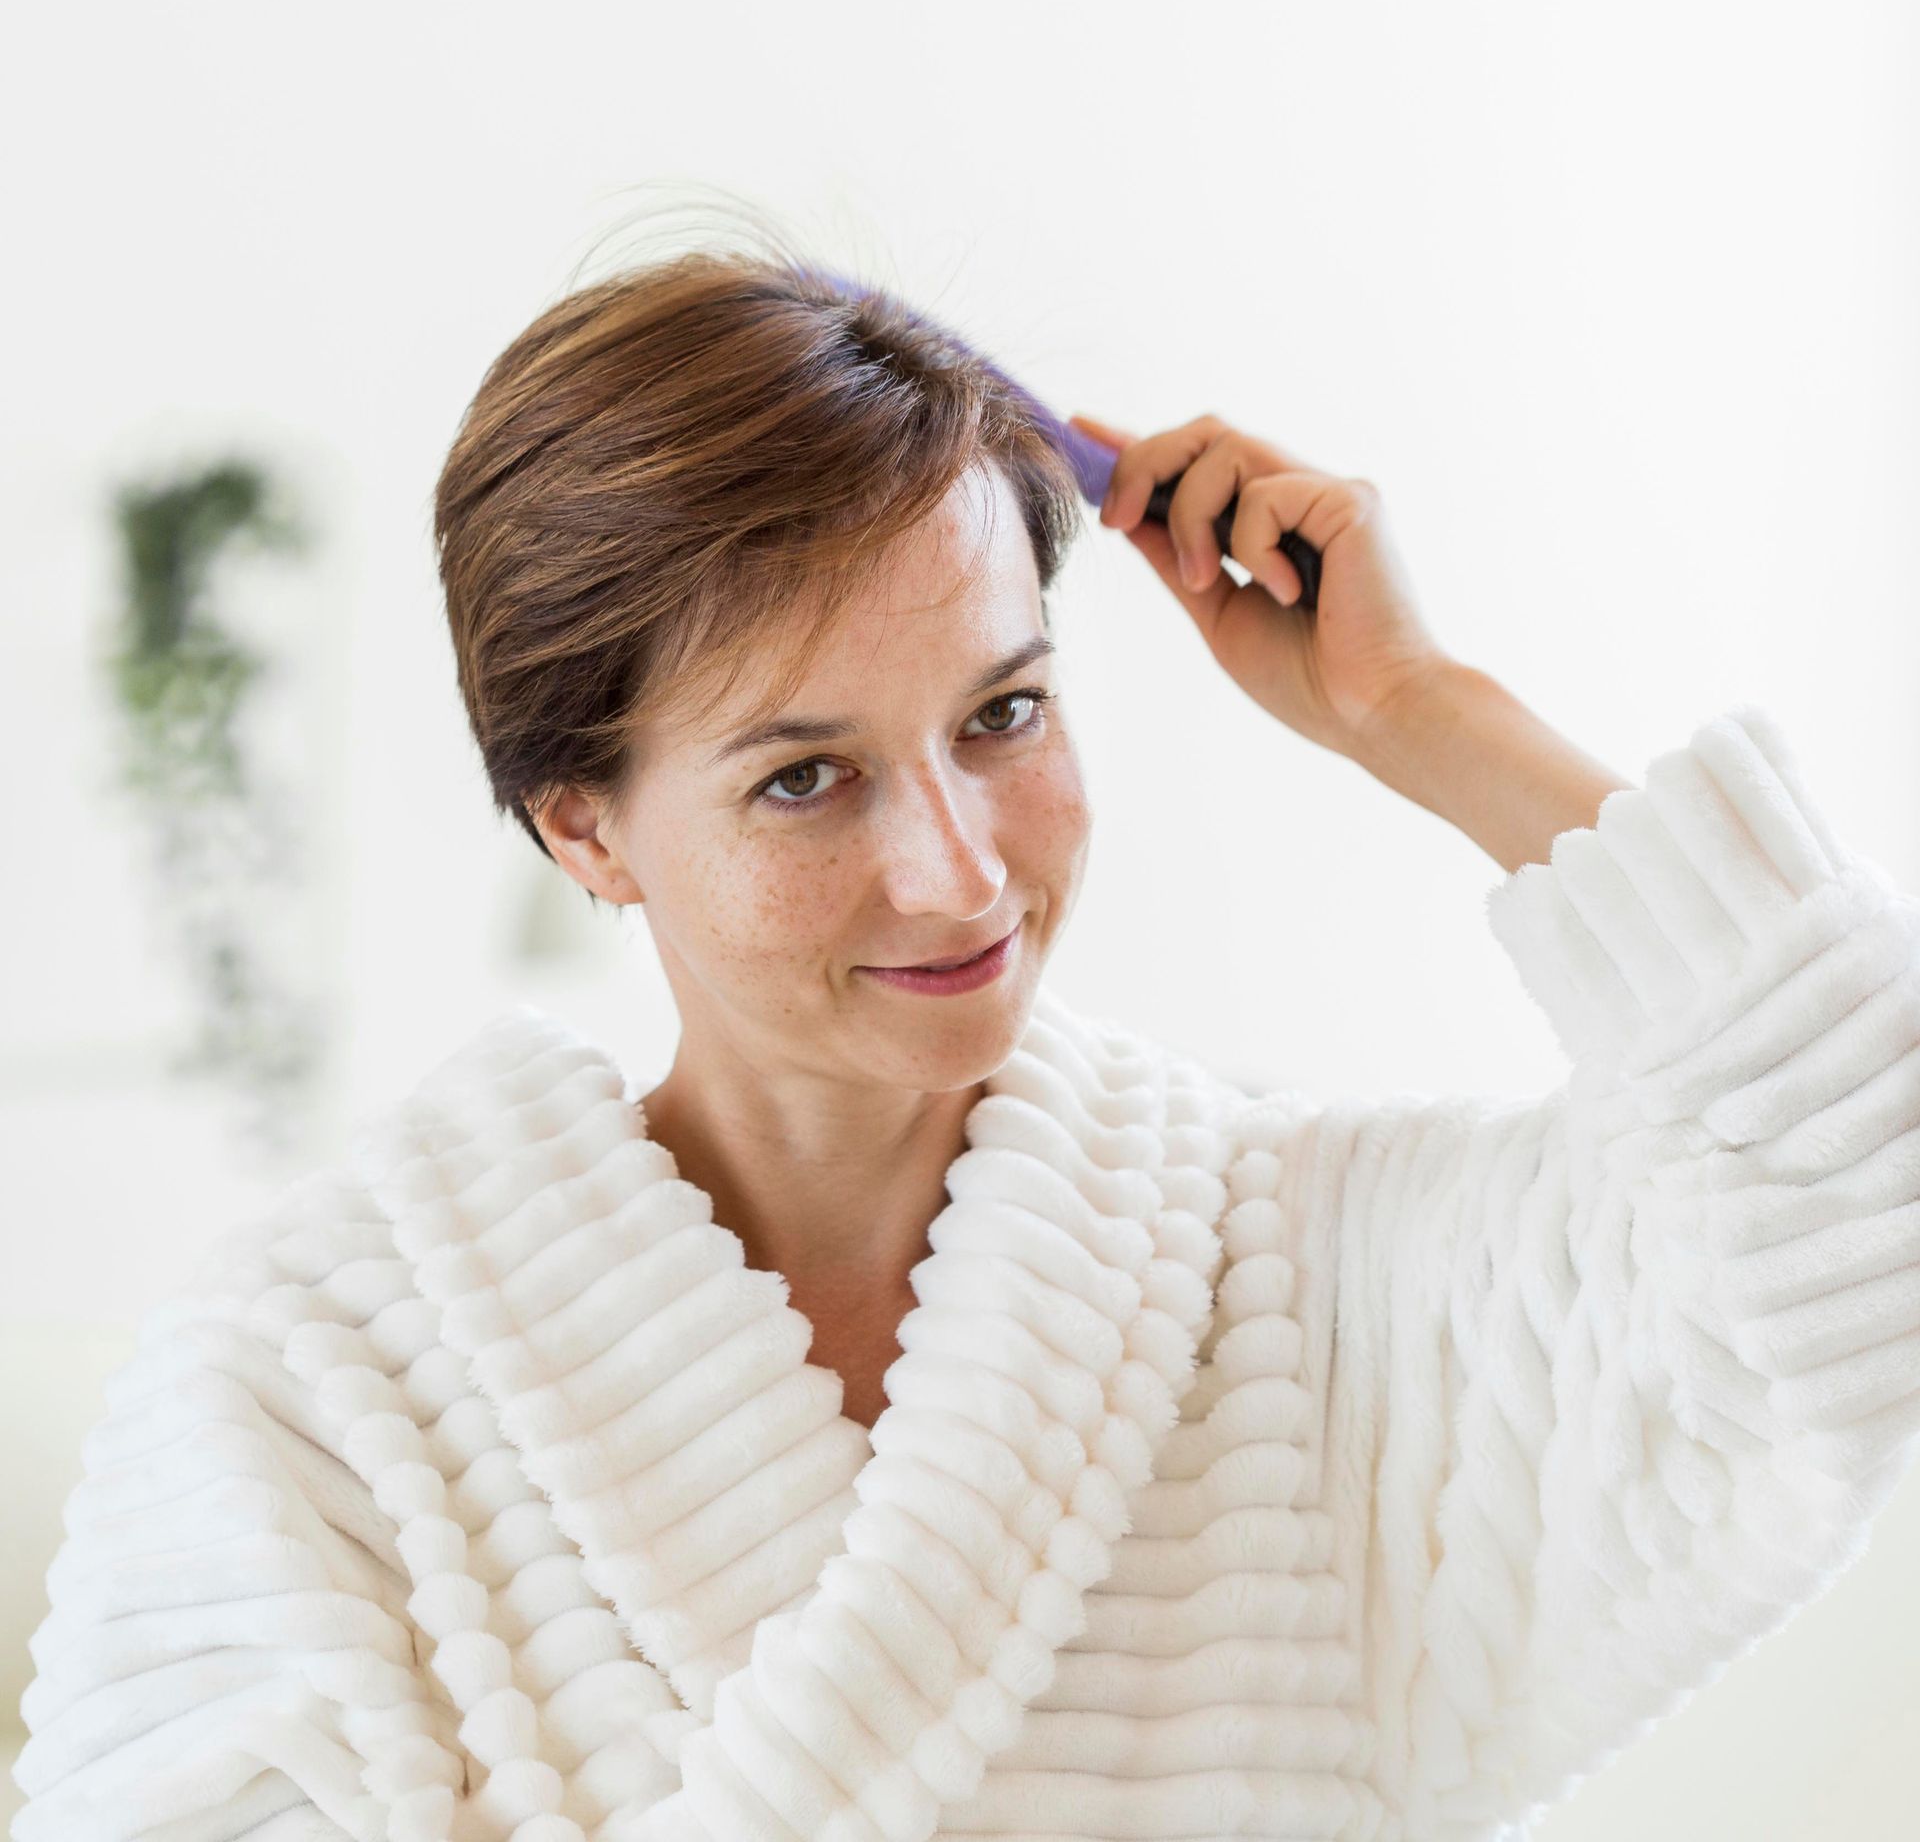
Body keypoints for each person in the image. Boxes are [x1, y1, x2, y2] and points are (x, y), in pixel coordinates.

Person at [15, 236, 1920, 1842]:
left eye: (1003, 716)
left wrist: (1425, 709)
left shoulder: (1294, 1282)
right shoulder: (305, 1401)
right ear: (581, 824)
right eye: (805, 778)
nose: (955, 872)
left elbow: (1860, 1223)